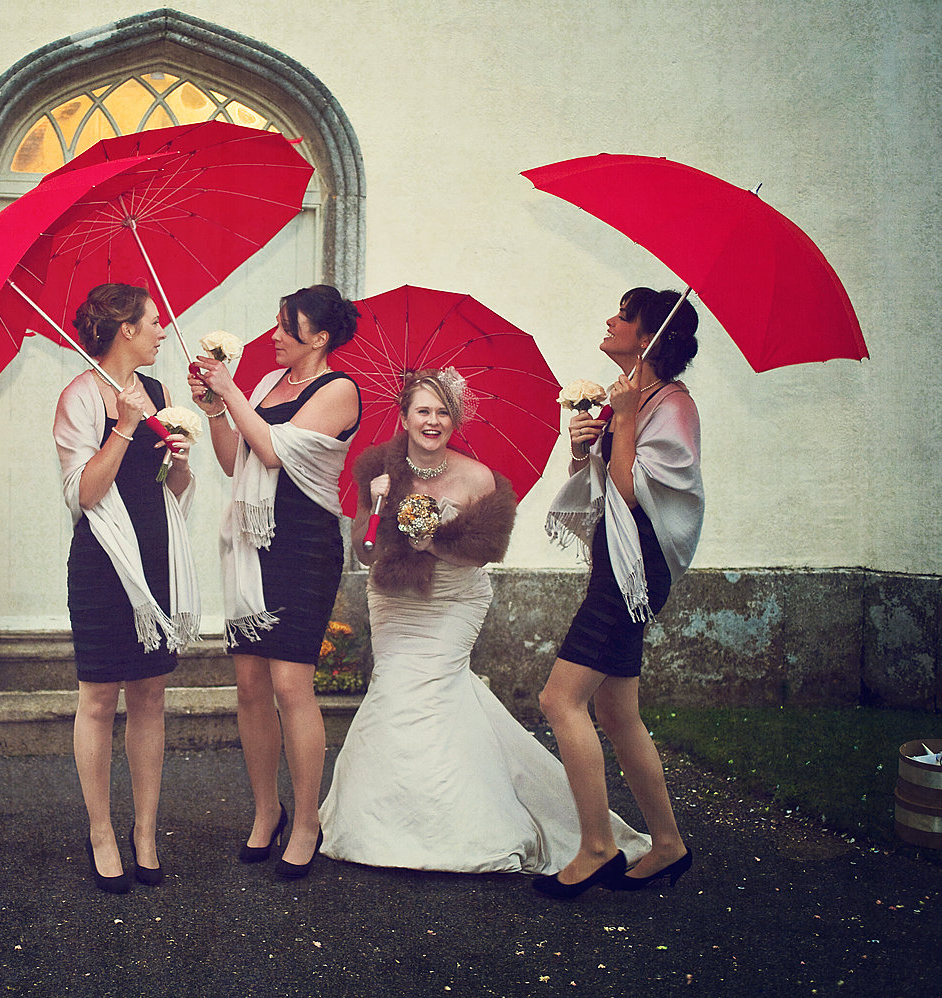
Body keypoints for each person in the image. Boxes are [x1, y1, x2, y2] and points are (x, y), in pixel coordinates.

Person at [317, 370, 651, 873]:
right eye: (423, 411)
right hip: (395, 603)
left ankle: (461, 826)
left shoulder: (480, 478)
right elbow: (364, 552)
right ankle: (392, 820)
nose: (433, 421)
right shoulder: (375, 468)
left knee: (430, 689)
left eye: (443, 412)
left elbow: (486, 552)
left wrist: (434, 542)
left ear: (456, 419)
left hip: (455, 600)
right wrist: (379, 504)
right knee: (395, 688)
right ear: (404, 417)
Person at [188, 285, 361, 879]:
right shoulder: (265, 386)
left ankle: (307, 820)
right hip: (251, 545)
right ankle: (268, 811)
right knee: (250, 687)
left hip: (304, 548)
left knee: (292, 686)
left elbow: (271, 453)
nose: (277, 333)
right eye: (278, 321)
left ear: (320, 337)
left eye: (289, 325)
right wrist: (216, 409)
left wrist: (227, 387)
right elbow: (233, 455)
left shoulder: (339, 390)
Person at [535, 287, 704, 899]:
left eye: (624, 316)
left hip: (634, 571)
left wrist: (626, 420)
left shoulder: (671, 407)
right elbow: (604, 489)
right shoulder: (637, 398)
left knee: (560, 700)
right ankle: (667, 844)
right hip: (617, 563)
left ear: (649, 337)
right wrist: (586, 447)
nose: (609, 320)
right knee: (615, 711)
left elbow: (637, 498)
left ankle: (597, 845)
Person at [54, 283, 199, 894]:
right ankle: (101, 832)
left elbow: (173, 488)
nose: (163, 328)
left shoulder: (162, 394)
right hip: (102, 562)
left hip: (155, 557)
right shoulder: (79, 397)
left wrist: (182, 458)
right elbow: (83, 495)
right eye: (153, 319)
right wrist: (124, 428)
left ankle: (144, 832)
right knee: (98, 700)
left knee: (149, 698)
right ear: (126, 331)